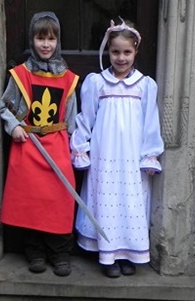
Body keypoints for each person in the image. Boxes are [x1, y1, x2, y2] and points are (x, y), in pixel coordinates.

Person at [70, 18, 164, 278]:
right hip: (105, 154)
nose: (121, 58)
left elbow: (150, 122)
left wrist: (150, 154)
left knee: (130, 201)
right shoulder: (97, 83)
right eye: (115, 52)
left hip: (132, 156)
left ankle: (128, 253)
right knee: (105, 199)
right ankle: (107, 254)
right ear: (108, 51)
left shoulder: (145, 85)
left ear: (135, 51)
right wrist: (80, 147)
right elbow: (85, 117)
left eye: (127, 52)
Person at [0, 11, 79, 277]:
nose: (46, 44)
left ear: (58, 41)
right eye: (40, 38)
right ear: (32, 40)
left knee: (59, 200)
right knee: (31, 203)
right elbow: (5, 107)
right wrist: (15, 127)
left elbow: (71, 117)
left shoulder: (68, 78)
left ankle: (60, 253)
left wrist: (74, 147)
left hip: (57, 146)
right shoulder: (20, 75)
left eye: (51, 39)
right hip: (29, 145)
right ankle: (35, 252)